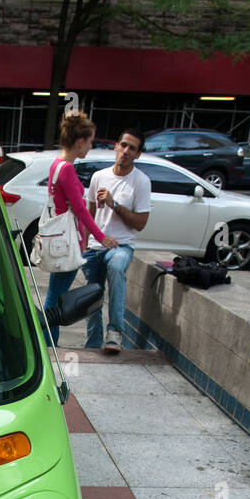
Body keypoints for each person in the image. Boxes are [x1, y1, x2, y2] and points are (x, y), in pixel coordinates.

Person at [42, 111, 118, 346]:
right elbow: (81, 209)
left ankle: (45, 342)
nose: (91, 146)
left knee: (55, 294)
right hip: (68, 243)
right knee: (55, 298)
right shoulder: (66, 169)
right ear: (80, 141)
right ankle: (47, 344)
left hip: (60, 239)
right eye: (90, 141)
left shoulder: (57, 164)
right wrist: (101, 236)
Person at [82, 127, 151, 353]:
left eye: (132, 148)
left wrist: (115, 205)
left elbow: (140, 223)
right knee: (92, 297)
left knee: (117, 266)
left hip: (121, 246)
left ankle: (115, 333)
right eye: (123, 145)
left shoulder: (141, 182)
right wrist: (84, 243)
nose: (126, 151)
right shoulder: (98, 177)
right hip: (94, 247)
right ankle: (93, 345)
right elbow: (89, 214)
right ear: (116, 146)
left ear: (138, 155)